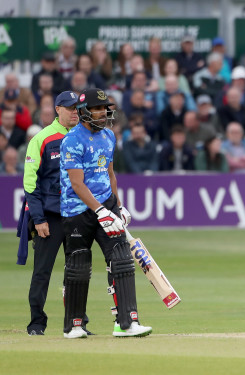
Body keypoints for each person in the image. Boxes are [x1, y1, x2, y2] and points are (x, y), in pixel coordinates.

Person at [59, 88, 152, 338]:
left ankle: (127, 323)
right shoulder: (71, 140)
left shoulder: (109, 136)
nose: (102, 113)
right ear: (83, 111)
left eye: (104, 108)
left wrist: (117, 207)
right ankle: (74, 325)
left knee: (121, 259)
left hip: (106, 206)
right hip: (78, 210)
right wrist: (100, 211)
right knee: (79, 264)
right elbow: (77, 184)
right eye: (97, 109)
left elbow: (109, 174)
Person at [17, 91, 91, 336]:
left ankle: (77, 323)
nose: (74, 112)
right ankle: (37, 323)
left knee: (77, 272)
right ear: (57, 109)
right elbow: (30, 184)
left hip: (77, 216)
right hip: (50, 217)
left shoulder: (85, 136)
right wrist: (38, 219)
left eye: (76, 108)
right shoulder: (42, 138)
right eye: (69, 108)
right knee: (42, 272)